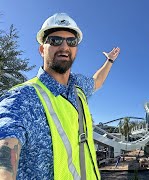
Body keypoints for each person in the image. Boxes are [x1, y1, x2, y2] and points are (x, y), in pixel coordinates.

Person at [0, 13, 120, 180]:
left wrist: (110, 61)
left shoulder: (78, 87)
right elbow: (5, 148)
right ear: (42, 49)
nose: (64, 47)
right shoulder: (23, 98)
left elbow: (97, 82)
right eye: (55, 40)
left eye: (71, 42)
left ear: (76, 49)